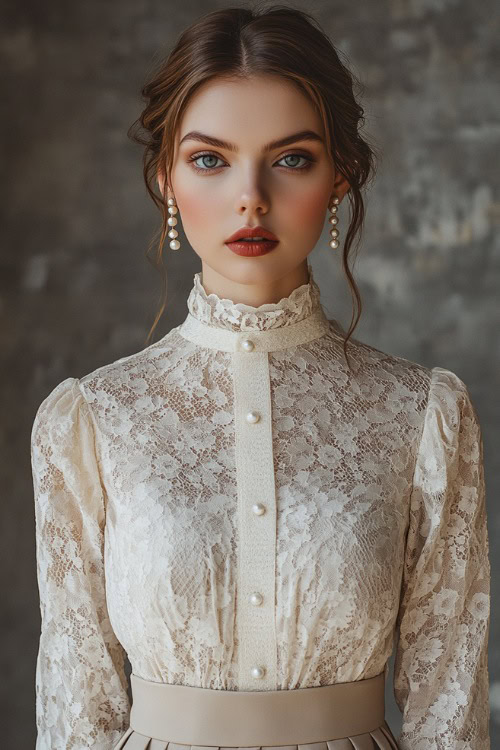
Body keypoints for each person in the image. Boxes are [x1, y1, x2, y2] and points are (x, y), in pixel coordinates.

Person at [30, 5, 491, 750]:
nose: (251, 195)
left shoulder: (422, 413)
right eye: (210, 158)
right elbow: (74, 705)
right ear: (166, 178)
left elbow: (451, 705)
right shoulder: (93, 419)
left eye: (292, 158)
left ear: (340, 178)